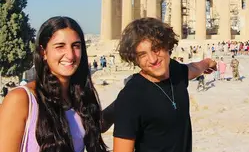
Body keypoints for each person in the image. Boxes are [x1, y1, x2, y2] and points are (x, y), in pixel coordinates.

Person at [0, 16, 114, 152]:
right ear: (43, 52)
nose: (70, 55)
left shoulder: (79, 96)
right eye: (60, 46)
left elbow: (94, 124)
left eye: (76, 46)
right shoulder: (21, 99)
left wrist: (126, 97)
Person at [113, 17, 216, 152]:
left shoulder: (175, 70)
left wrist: (208, 63)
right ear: (135, 59)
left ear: (167, 45)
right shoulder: (130, 97)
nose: (153, 59)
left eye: (156, 49)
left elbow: (193, 68)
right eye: (142, 54)